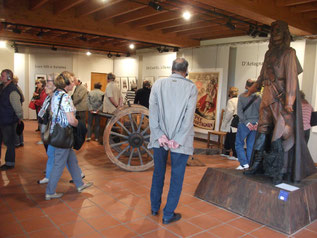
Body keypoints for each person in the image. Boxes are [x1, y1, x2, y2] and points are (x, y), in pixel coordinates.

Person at [244, 20, 316, 184]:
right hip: (267, 99)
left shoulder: (289, 52)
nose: (275, 32)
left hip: (280, 100)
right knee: (262, 131)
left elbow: (291, 79)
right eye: (273, 29)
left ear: (284, 32)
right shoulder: (268, 54)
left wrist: (289, 102)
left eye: (278, 30)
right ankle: (255, 165)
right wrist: (252, 89)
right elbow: (262, 77)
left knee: (281, 134)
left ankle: (279, 170)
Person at [148, 58, 198, 224]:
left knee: (158, 173)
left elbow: (152, 113)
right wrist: (177, 139)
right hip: (180, 141)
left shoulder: (158, 84)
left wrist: (159, 134)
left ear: (172, 69)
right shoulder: (191, 87)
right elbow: (188, 117)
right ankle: (168, 214)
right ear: (186, 70)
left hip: (159, 139)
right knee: (177, 177)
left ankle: (155, 207)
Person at [45, 71, 92, 200]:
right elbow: (71, 120)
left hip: (59, 133)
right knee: (59, 164)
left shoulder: (56, 94)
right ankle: (50, 191)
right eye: (72, 81)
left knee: (72, 160)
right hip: (64, 134)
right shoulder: (65, 97)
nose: (74, 83)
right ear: (66, 84)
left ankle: (79, 183)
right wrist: (81, 125)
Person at [235, 79, 261, 170]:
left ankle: (244, 163)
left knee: (239, 144)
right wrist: (257, 123)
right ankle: (249, 163)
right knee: (251, 145)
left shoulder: (242, 96)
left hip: (244, 123)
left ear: (247, 86)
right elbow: (261, 112)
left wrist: (247, 123)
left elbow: (239, 112)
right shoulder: (259, 98)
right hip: (255, 124)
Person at [0, 69, 23, 170]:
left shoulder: (12, 90)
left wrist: (19, 118)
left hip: (9, 121)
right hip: (2, 120)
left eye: (3, 76)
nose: (1, 77)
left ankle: (9, 163)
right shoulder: (3, 88)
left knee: (9, 143)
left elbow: (17, 107)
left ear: (9, 77)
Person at [220, 87, 239, 160]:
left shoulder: (231, 101)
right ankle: (226, 151)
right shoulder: (239, 100)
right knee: (229, 136)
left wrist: (224, 123)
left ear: (230, 94)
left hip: (231, 122)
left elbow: (229, 113)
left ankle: (235, 154)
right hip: (237, 122)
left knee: (232, 137)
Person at [12, 75, 25, 147]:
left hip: (15, 111)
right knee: (19, 127)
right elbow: (23, 98)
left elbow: (22, 99)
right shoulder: (18, 88)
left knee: (16, 127)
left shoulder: (14, 89)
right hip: (18, 109)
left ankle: (17, 143)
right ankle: (21, 141)